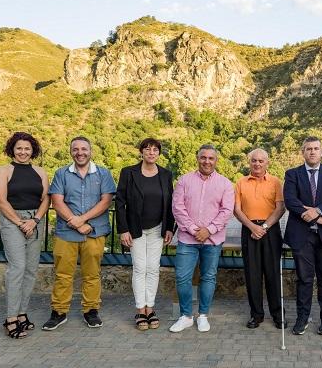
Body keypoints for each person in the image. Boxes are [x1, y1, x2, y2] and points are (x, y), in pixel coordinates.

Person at [42, 136, 116, 331]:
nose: (80, 152)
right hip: (66, 233)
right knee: (62, 274)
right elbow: (57, 202)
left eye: (84, 149)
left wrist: (82, 220)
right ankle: (58, 312)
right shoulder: (61, 174)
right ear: (71, 152)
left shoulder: (103, 173)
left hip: (94, 231)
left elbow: (106, 201)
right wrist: (75, 223)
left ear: (90, 151)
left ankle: (91, 311)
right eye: (76, 149)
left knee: (92, 274)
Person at [169, 144, 234, 333]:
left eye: (211, 158)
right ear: (197, 158)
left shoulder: (225, 184)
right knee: (182, 277)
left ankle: (203, 316)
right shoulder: (184, 180)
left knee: (208, 277)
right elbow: (177, 207)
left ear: (216, 161)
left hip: (212, 241)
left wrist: (209, 230)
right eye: (203, 157)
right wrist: (192, 229)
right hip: (187, 240)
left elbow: (227, 210)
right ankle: (186, 316)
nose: (207, 161)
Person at [284, 136, 322, 336]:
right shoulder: (292, 174)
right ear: (303, 152)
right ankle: (302, 318)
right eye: (308, 148)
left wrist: (317, 210)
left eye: (316, 148)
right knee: (304, 278)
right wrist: (317, 218)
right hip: (301, 235)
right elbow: (291, 201)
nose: (312, 151)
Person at [0, 132, 50, 339]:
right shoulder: (4, 171)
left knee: (31, 269)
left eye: (27, 148)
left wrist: (34, 221)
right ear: (12, 149)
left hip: (35, 221)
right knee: (17, 268)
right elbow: (0, 200)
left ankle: (22, 313)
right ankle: (10, 319)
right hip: (12, 221)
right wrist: (20, 222)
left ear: (32, 150)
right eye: (19, 148)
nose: (23, 152)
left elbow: (46, 199)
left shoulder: (40, 171)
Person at [116, 138, 175, 330]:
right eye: (147, 149)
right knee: (140, 268)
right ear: (141, 152)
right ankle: (140, 310)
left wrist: (169, 227)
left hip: (158, 229)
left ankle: (151, 308)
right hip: (135, 229)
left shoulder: (166, 174)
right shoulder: (128, 173)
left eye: (155, 150)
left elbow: (170, 203)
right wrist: (123, 229)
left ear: (159, 153)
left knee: (153, 268)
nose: (151, 153)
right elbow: (119, 202)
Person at [233, 148, 286, 329]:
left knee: (272, 274)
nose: (257, 164)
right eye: (254, 160)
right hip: (249, 230)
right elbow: (237, 209)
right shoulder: (241, 182)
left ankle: (278, 315)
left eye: (261, 161)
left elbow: (280, 208)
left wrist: (263, 227)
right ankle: (256, 315)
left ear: (267, 163)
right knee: (252, 275)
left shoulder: (275, 182)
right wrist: (252, 227)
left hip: (270, 230)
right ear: (250, 162)